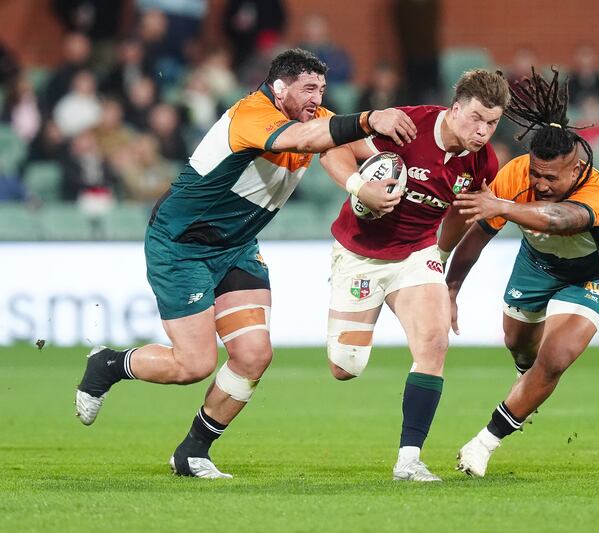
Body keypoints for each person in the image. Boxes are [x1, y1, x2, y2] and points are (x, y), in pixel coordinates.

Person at [74, 48, 416, 479]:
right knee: (194, 365)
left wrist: (387, 169)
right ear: (279, 88)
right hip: (182, 245)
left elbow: (341, 146)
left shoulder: (314, 119)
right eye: (309, 88)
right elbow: (308, 139)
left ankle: (192, 453)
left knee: (254, 356)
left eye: (322, 89)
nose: (317, 98)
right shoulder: (251, 115)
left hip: (236, 247)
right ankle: (107, 365)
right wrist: (370, 118)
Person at [319, 69, 510, 481]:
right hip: (360, 254)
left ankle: (409, 460)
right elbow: (332, 147)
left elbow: (461, 211)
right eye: (476, 118)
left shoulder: (483, 162)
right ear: (454, 109)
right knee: (345, 367)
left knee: (434, 343)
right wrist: (359, 187)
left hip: (416, 254)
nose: (483, 131)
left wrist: (440, 256)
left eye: (492, 123)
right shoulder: (406, 127)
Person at [447, 67, 599, 477]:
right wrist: (451, 288)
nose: (540, 183)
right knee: (518, 345)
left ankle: (483, 443)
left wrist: (504, 207)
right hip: (536, 264)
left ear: (575, 170)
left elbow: (560, 219)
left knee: (556, 357)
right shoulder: (515, 175)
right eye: (535, 173)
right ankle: (528, 383)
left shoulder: (596, 193)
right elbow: (478, 236)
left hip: (592, 275)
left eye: (550, 177)